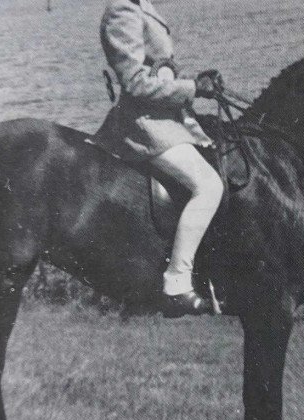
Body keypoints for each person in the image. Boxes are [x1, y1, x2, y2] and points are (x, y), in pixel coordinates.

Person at [95, 0, 225, 317]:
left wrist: (194, 85)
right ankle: (176, 284)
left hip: (168, 118)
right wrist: (192, 88)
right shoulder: (121, 11)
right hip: (143, 124)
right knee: (208, 186)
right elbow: (136, 82)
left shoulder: (144, 5)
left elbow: (157, 68)